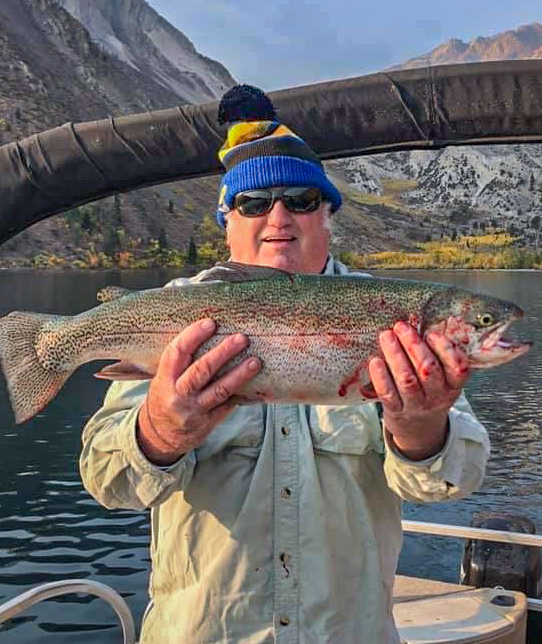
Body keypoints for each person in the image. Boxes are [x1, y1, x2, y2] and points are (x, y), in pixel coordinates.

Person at [80, 84, 490, 643]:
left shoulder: (395, 319)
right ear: (227, 219)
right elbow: (108, 483)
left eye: (300, 200)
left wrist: (420, 429)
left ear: (327, 215)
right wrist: (157, 431)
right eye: (253, 202)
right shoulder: (174, 310)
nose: (278, 216)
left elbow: (452, 482)